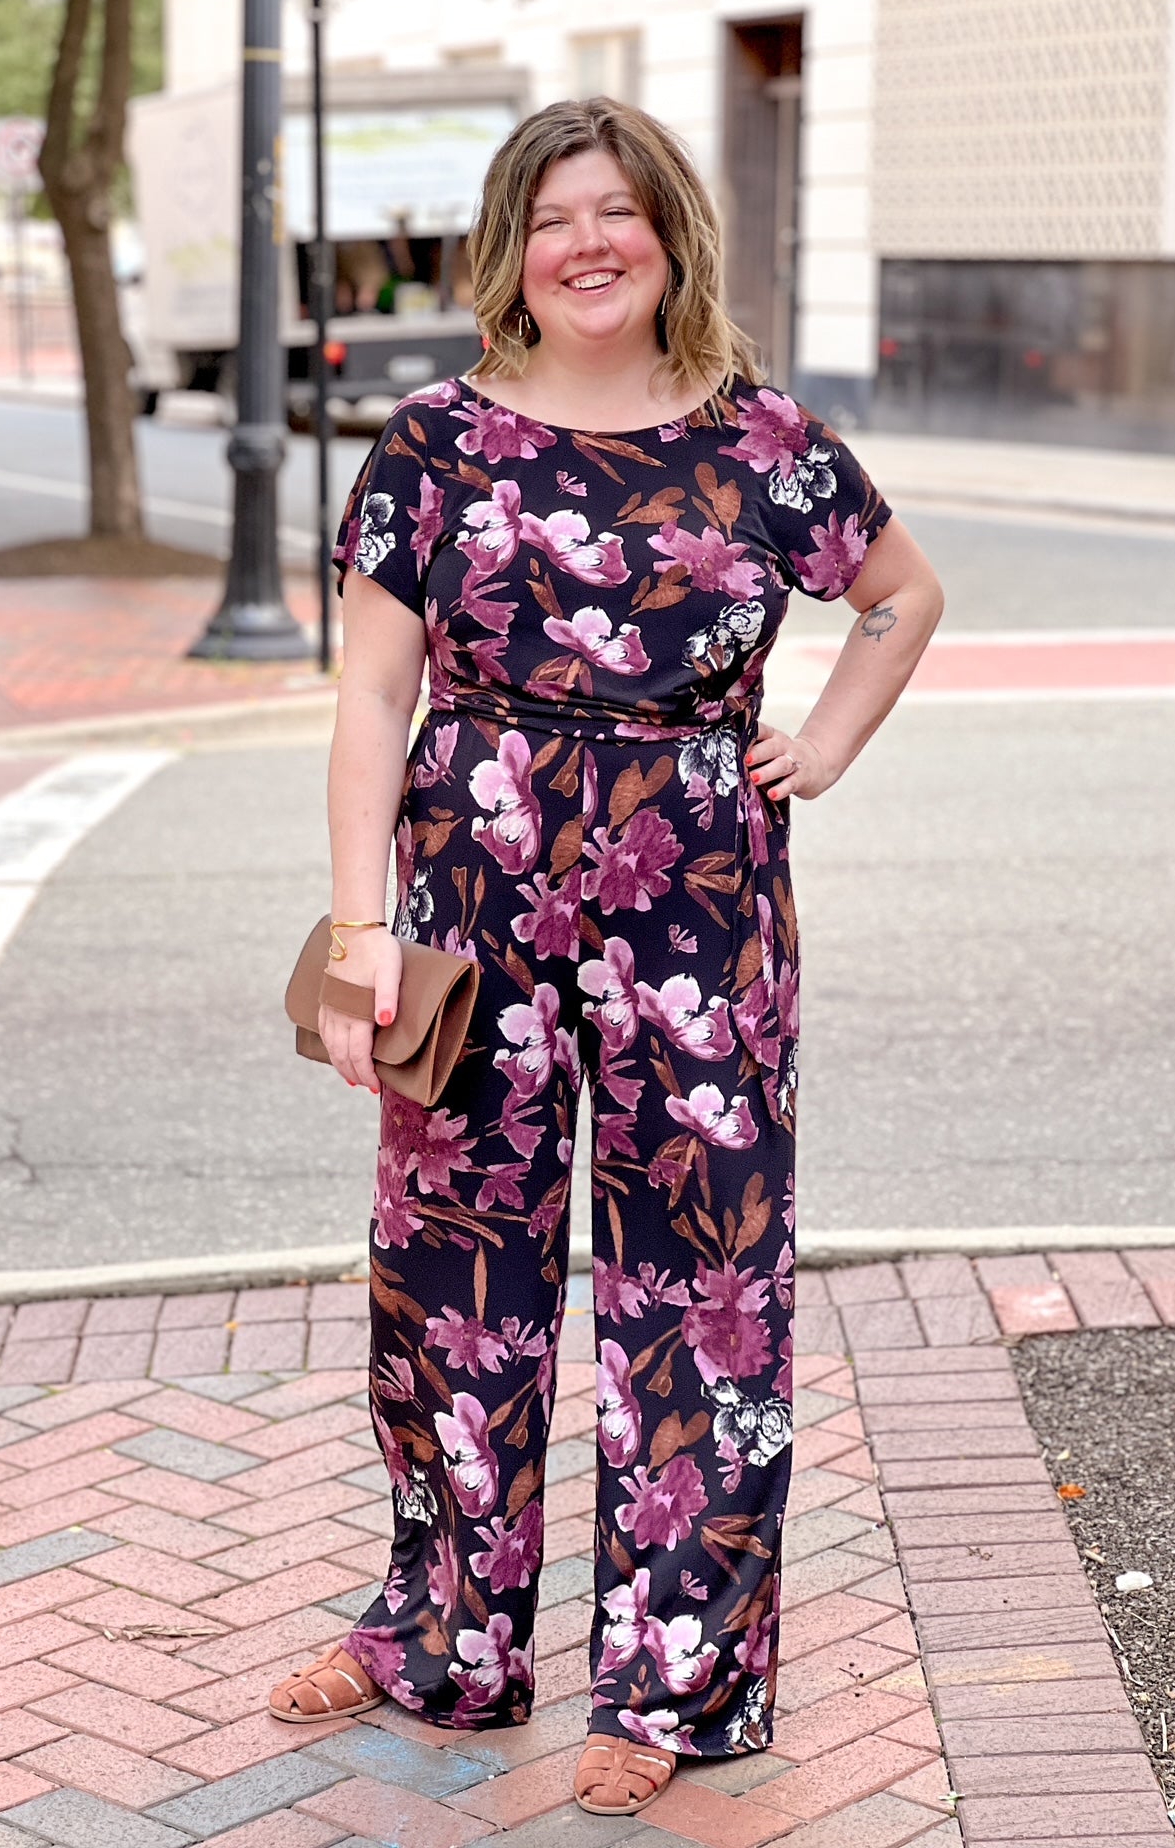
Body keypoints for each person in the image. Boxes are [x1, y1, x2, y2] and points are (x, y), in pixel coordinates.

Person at [268, 97, 943, 1813]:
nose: (589, 242)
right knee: (450, 1278)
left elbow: (899, 597)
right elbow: (368, 698)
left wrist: (829, 744)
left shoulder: (760, 435)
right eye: (557, 214)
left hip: (702, 901)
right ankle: (446, 1640)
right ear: (512, 243)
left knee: (701, 1290)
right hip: (468, 896)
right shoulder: (430, 442)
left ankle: (670, 1692)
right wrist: (361, 935)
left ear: (666, 238)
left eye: (619, 212)